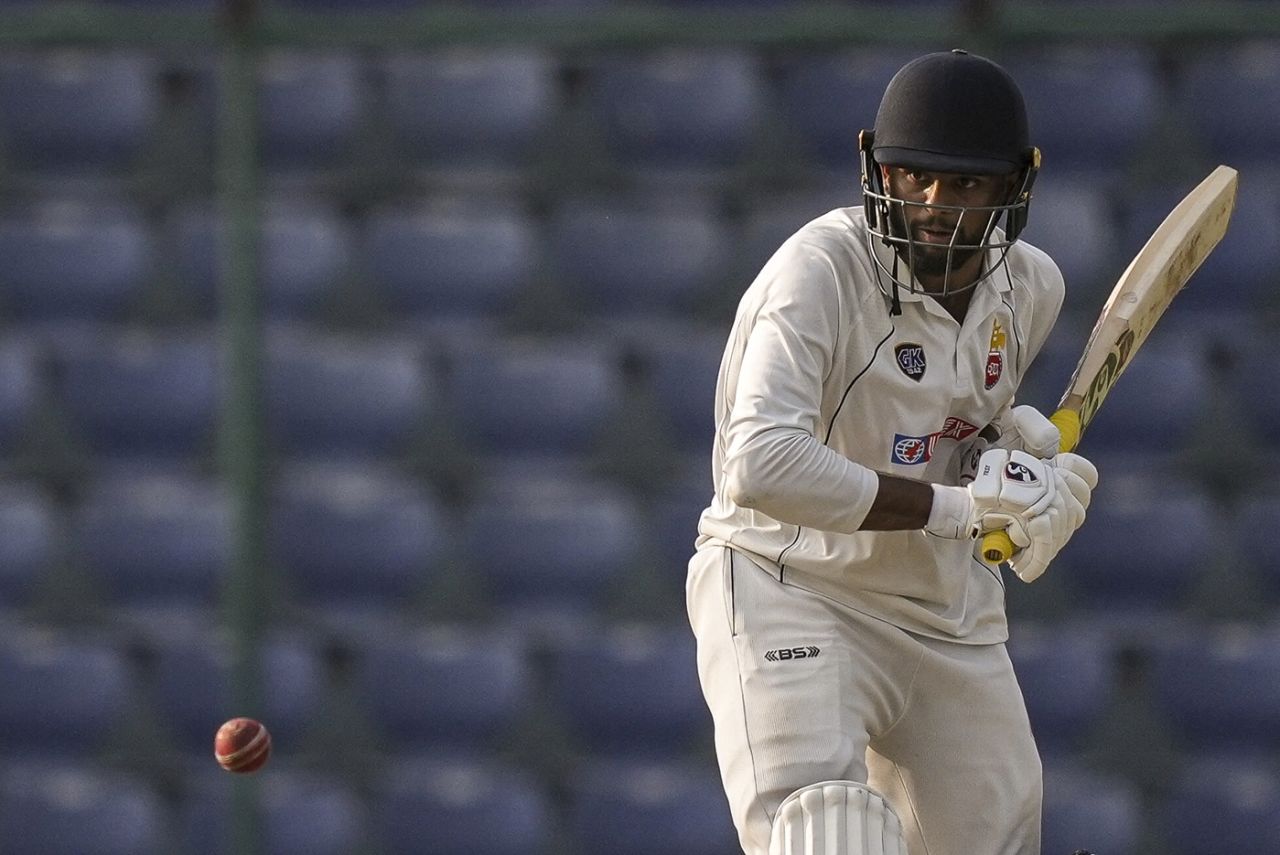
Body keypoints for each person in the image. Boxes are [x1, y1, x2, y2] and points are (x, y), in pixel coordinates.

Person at [685, 49, 1099, 855]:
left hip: (943, 614)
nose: (936, 206)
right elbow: (760, 461)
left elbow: (948, 422)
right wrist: (958, 507)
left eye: (968, 184)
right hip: (792, 586)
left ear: (1018, 184)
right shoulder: (818, 273)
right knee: (829, 832)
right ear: (877, 165)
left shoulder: (1034, 288)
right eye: (915, 178)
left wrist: (1018, 472)